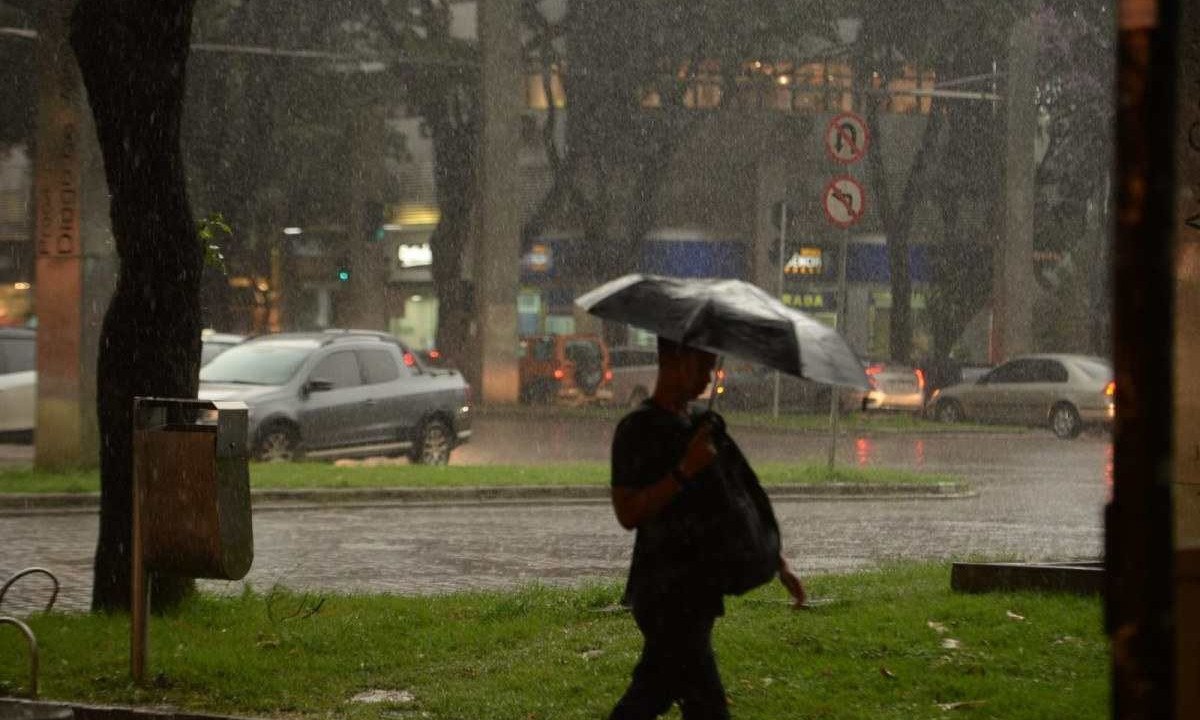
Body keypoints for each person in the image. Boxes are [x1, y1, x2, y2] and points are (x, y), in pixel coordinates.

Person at [607, 337, 806, 720]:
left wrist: (776, 561)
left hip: (699, 588)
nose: (709, 376)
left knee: (658, 692)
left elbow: (736, 498)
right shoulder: (638, 430)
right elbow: (628, 512)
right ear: (675, 361)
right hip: (665, 592)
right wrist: (684, 472)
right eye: (703, 365)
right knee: (698, 703)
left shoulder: (702, 425)